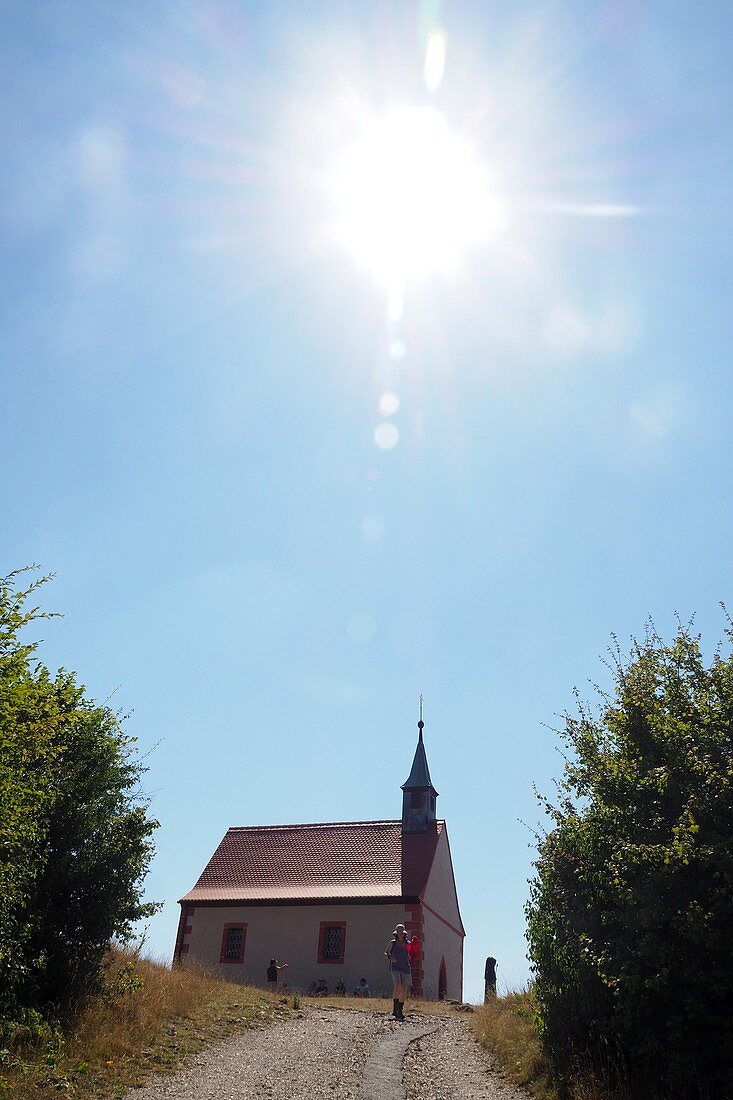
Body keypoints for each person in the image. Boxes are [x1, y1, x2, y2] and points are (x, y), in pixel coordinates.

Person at [385, 923, 412, 1020]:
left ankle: (400, 1010)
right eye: (399, 933)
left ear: (404, 934)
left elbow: (411, 953)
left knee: (404, 988)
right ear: (396, 934)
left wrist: (412, 951)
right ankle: (395, 1008)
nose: (400, 935)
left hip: (405, 967)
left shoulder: (408, 943)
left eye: (402, 933)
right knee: (397, 984)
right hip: (395, 967)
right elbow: (386, 952)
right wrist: (390, 957)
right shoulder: (393, 943)